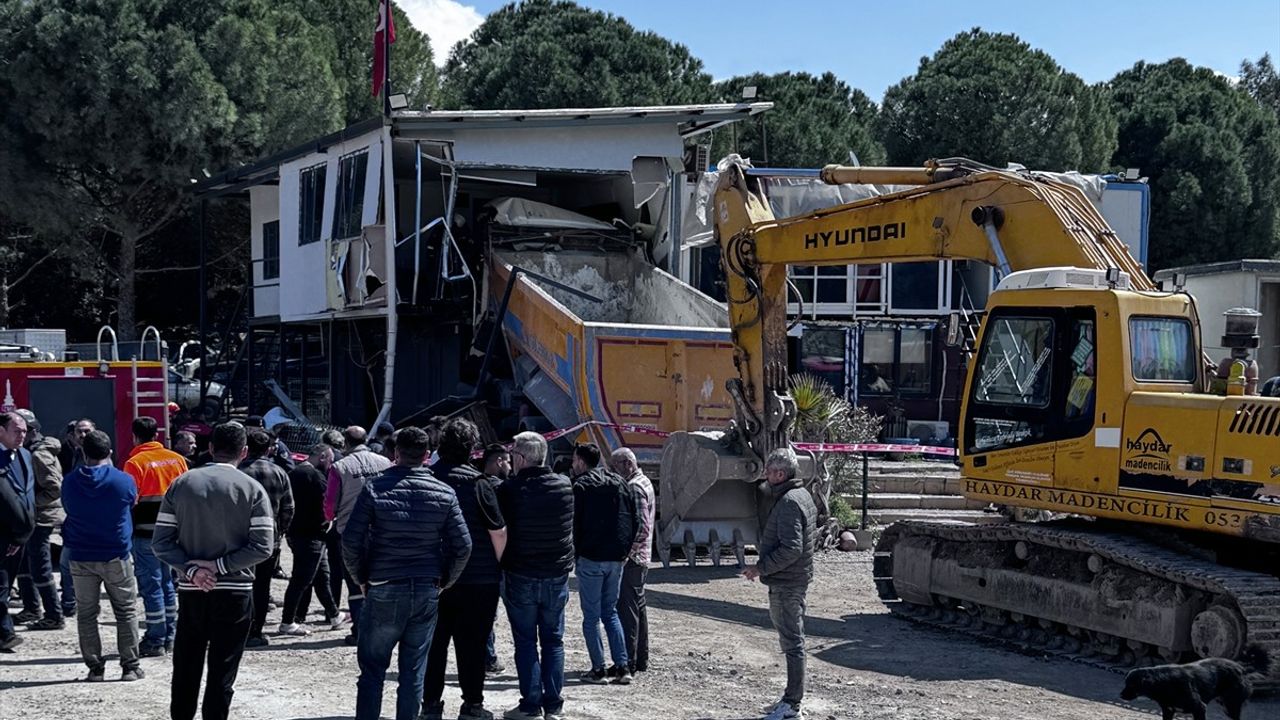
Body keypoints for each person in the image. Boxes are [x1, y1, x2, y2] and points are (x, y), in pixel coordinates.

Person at [342, 426, 471, 720]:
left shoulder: (374, 488)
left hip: (384, 585)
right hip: (426, 586)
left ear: (395, 453)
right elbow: (463, 546)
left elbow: (351, 541)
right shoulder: (444, 491)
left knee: (372, 670)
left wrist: (360, 578)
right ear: (427, 456)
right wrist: (444, 581)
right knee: (413, 672)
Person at [153, 422, 275, 720]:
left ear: (209, 448)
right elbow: (263, 548)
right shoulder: (253, 489)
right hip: (235, 592)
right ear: (244, 452)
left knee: (186, 667)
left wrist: (193, 570)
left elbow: (161, 543)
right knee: (222, 671)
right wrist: (220, 567)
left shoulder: (182, 484)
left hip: (192, 591)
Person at [421, 420, 507, 720]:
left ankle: (430, 704)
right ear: (472, 449)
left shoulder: (427, 478)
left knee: (433, 645)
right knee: (472, 646)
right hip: (478, 578)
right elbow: (498, 530)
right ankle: (472, 705)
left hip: (433, 576)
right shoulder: (479, 484)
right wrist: (497, 563)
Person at [497, 432, 574, 720]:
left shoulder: (510, 489)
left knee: (526, 642)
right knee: (554, 640)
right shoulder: (564, 485)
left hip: (522, 574)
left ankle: (530, 705)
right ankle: (554, 705)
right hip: (556, 574)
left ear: (521, 457)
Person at [62, 430, 144, 681]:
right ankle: (129, 666)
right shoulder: (123, 480)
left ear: (83, 452)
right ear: (109, 453)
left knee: (86, 613)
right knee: (126, 610)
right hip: (115, 553)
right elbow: (131, 502)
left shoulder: (70, 481)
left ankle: (95, 668)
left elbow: (66, 507)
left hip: (80, 553)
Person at [742, 448, 817, 720]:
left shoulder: (787, 503)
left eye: (770, 471)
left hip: (788, 582)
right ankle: (791, 698)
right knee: (793, 639)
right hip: (795, 578)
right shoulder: (802, 495)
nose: (765, 475)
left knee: (792, 642)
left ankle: (792, 704)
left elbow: (792, 549)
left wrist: (760, 568)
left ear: (781, 474)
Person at [569, 443, 636, 686]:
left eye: (574, 459)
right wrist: (625, 550)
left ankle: (598, 669)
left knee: (591, 617)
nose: (572, 464)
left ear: (581, 461)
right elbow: (634, 517)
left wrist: (574, 553)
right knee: (611, 613)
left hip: (590, 558)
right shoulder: (619, 482)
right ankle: (622, 666)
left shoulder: (580, 486)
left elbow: (574, 523)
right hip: (616, 558)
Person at [123, 416, 190, 656]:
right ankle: (170, 636)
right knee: (169, 584)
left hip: (145, 536)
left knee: (152, 587)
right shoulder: (178, 460)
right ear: (157, 435)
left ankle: (155, 638)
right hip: (174, 535)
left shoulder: (135, 463)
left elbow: (130, 501)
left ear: (135, 436)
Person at [324, 425, 391, 646]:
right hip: (381, 529)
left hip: (350, 532)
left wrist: (331, 517)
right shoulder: (385, 463)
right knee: (381, 579)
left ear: (345, 443)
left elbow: (330, 506)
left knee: (355, 583)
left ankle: (360, 630)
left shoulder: (339, 467)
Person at [239, 429, 295, 648]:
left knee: (240, 585)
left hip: (239, 538)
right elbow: (289, 508)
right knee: (262, 587)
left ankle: (239, 629)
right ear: (269, 448)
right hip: (267, 539)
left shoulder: (239, 471)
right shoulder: (280, 472)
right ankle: (256, 631)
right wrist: (280, 531)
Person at [279, 443, 343, 635]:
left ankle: (334, 614)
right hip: (312, 534)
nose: (331, 464)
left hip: (296, 533)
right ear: (322, 456)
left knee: (321, 575)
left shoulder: (293, 473)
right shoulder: (315, 476)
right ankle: (287, 621)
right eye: (330, 460)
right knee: (301, 579)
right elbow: (329, 503)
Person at [14, 409, 65, 631]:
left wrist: (28, 502)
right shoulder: (33, 450)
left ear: (31, 431)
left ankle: (54, 614)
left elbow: (54, 488)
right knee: (24, 563)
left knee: (40, 566)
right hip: (33, 517)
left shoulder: (38, 455)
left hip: (41, 518)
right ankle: (31, 608)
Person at [609, 447, 653, 675]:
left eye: (615, 466)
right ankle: (641, 659)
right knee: (638, 608)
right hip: (644, 557)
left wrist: (628, 554)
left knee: (627, 611)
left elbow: (642, 527)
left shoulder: (634, 486)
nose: (612, 472)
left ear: (627, 464)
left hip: (634, 559)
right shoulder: (645, 481)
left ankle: (628, 661)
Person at [0, 411, 36, 652]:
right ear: (1, 431)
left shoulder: (24, 455)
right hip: (3, 534)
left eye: (24, 431)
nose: (22, 435)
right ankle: (5, 634)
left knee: (8, 582)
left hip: (22, 535)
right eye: (17, 431)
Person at [480, 443, 511, 675]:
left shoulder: (477, 486)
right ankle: (488, 658)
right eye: (507, 461)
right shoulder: (503, 489)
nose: (510, 466)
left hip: (480, 558)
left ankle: (486, 656)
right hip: (501, 559)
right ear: (499, 461)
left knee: (485, 614)